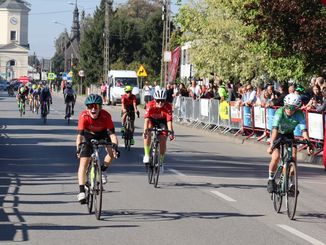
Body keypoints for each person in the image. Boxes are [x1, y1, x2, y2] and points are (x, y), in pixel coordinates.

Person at [76, 94, 120, 204]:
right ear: (87, 108)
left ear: (100, 107)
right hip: (88, 135)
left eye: (96, 106)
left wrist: (115, 147)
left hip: (103, 134)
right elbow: (80, 136)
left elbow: (113, 135)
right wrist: (78, 148)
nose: (93, 109)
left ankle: (103, 170)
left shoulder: (106, 116)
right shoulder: (83, 116)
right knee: (83, 162)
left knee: (111, 153)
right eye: (90, 106)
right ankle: (81, 191)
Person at [266, 93, 313, 193]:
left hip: (288, 134)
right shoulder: (280, 112)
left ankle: (292, 184)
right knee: (276, 157)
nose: (289, 110)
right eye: (287, 106)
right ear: (284, 105)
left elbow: (304, 130)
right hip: (277, 134)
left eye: (293, 108)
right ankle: (270, 179)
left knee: (293, 157)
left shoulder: (299, 114)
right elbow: (274, 129)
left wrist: (309, 144)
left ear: (297, 107)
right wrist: (271, 145)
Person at [142, 89, 175, 166]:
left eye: (162, 101)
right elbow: (146, 120)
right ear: (155, 99)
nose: (160, 103)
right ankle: (146, 155)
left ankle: (161, 159)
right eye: (158, 100)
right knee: (147, 133)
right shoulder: (150, 105)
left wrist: (171, 132)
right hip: (151, 120)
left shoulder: (168, 106)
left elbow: (169, 121)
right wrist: (145, 131)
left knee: (163, 140)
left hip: (162, 122)